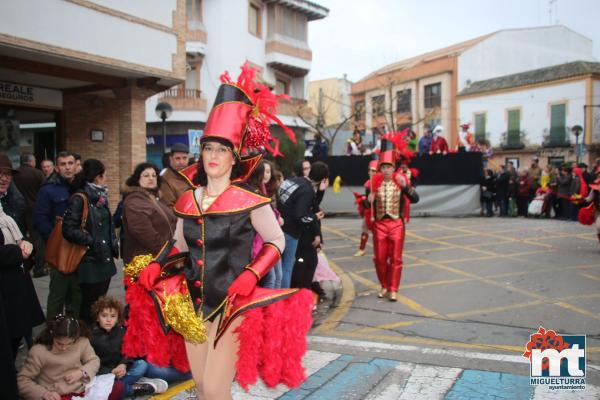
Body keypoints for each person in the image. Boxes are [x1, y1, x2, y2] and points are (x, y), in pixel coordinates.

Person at [127, 65, 314, 398]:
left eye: (221, 150)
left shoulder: (249, 199)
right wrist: (157, 264)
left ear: (234, 157)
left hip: (233, 304)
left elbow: (276, 241)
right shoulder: (187, 198)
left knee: (215, 388)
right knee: (200, 386)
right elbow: (178, 244)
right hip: (192, 303)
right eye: (209, 148)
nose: (213, 156)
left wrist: (252, 274)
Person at [62, 159, 117, 325]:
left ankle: (96, 336)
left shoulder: (101, 196)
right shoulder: (80, 198)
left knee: (98, 303)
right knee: (88, 305)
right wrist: (92, 241)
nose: (106, 178)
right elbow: (68, 229)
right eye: (105, 175)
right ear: (98, 177)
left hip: (104, 259)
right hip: (89, 262)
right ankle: (85, 336)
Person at [369, 133, 419, 301]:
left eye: (389, 167)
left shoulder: (401, 180)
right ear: (380, 168)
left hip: (397, 224)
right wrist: (366, 201)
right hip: (379, 225)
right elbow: (366, 207)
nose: (386, 170)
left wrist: (406, 188)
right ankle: (383, 285)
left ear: (394, 167)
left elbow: (415, 198)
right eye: (383, 167)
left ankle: (393, 288)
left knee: (396, 258)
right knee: (380, 259)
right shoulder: (374, 183)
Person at [89, 296, 169, 398]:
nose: (108, 320)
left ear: (118, 318)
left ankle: (126, 385)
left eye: (113, 316)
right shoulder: (91, 336)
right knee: (103, 383)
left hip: (122, 371)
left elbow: (129, 351)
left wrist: (124, 364)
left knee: (141, 365)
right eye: (104, 316)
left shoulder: (121, 331)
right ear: (97, 317)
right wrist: (110, 371)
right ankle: (130, 386)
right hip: (104, 374)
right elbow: (91, 362)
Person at [34, 151, 81, 319]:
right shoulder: (48, 190)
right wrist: (55, 240)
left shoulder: (82, 186)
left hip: (81, 249)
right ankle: (52, 331)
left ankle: (75, 329)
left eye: (70, 163)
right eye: (63, 164)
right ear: (57, 168)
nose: (67, 167)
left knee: (77, 293)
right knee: (57, 294)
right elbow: (40, 219)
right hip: (60, 250)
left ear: (76, 165)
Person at [17, 315, 100, 400]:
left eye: (70, 343)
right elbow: (22, 380)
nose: (64, 348)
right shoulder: (39, 351)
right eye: (59, 343)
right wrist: (44, 393)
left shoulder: (81, 341)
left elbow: (94, 360)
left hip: (81, 388)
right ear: (52, 335)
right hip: (56, 394)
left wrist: (81, 372)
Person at [279, 161, 326, 289]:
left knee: (279, 269)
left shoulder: (292, 181)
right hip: (290, 231)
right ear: (323, 179)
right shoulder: (307, 190)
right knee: (287, 268)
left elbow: (309, 204)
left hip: (278, 226)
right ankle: (284, 300)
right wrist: (315, 217)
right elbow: (301, 216)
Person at [120, 162, 176, 264]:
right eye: (146, 175)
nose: (151, 178)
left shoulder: (153, 198)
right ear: (137, 179)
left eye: (154, 175)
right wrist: (169, 251)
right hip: (145, 261)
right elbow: (146, 234)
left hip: (160, 258)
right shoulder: (135, 201)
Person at [291, 161, 329, 290]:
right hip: (300, 233)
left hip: (305, 232)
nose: (308, 171)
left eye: (309, 168)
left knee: (310, 264)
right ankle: (300, 296)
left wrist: (320, 191)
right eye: (305, 168)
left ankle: (305, 294)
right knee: (302, 266)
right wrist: (317, 234)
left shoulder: (307, 187)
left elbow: (313, 207)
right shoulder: (305, 188)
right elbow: (307, 213)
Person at [247, 160, 283, 288]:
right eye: (263, 172)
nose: (266, 175)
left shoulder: (269, 189)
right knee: (271, 278)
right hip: (261, 242)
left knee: (277, 275)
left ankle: (273, 306)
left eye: (268, 171)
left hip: (271, 239)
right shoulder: (254, 191)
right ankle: (269, 307)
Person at [13, 152, 47, 277]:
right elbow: (44, 192)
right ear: (32, 162)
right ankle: (39, 269)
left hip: (18, 211)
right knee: (38, 240)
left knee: (19, 239)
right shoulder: (37, 173)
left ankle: (23, 267)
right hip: (34, 210)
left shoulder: (15, 173)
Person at [354, 160, 378, 256]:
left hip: (378, 211)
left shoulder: (380, 183)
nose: (369, 172)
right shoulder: (368, 183)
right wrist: (361, 198)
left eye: (372, 170)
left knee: (378, 231)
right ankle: (362, 249)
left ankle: (382, 249)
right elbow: (368, 200)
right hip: (369, 210)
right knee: (364, 227)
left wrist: (363, 200)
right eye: (369, 170)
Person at [159, 143, 193, 208]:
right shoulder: (165, 179)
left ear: (188, 158)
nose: (181, 162)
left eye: (184, 158)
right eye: (177, 158)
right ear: (171, 159)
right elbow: (168, 207)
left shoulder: (192, 175)